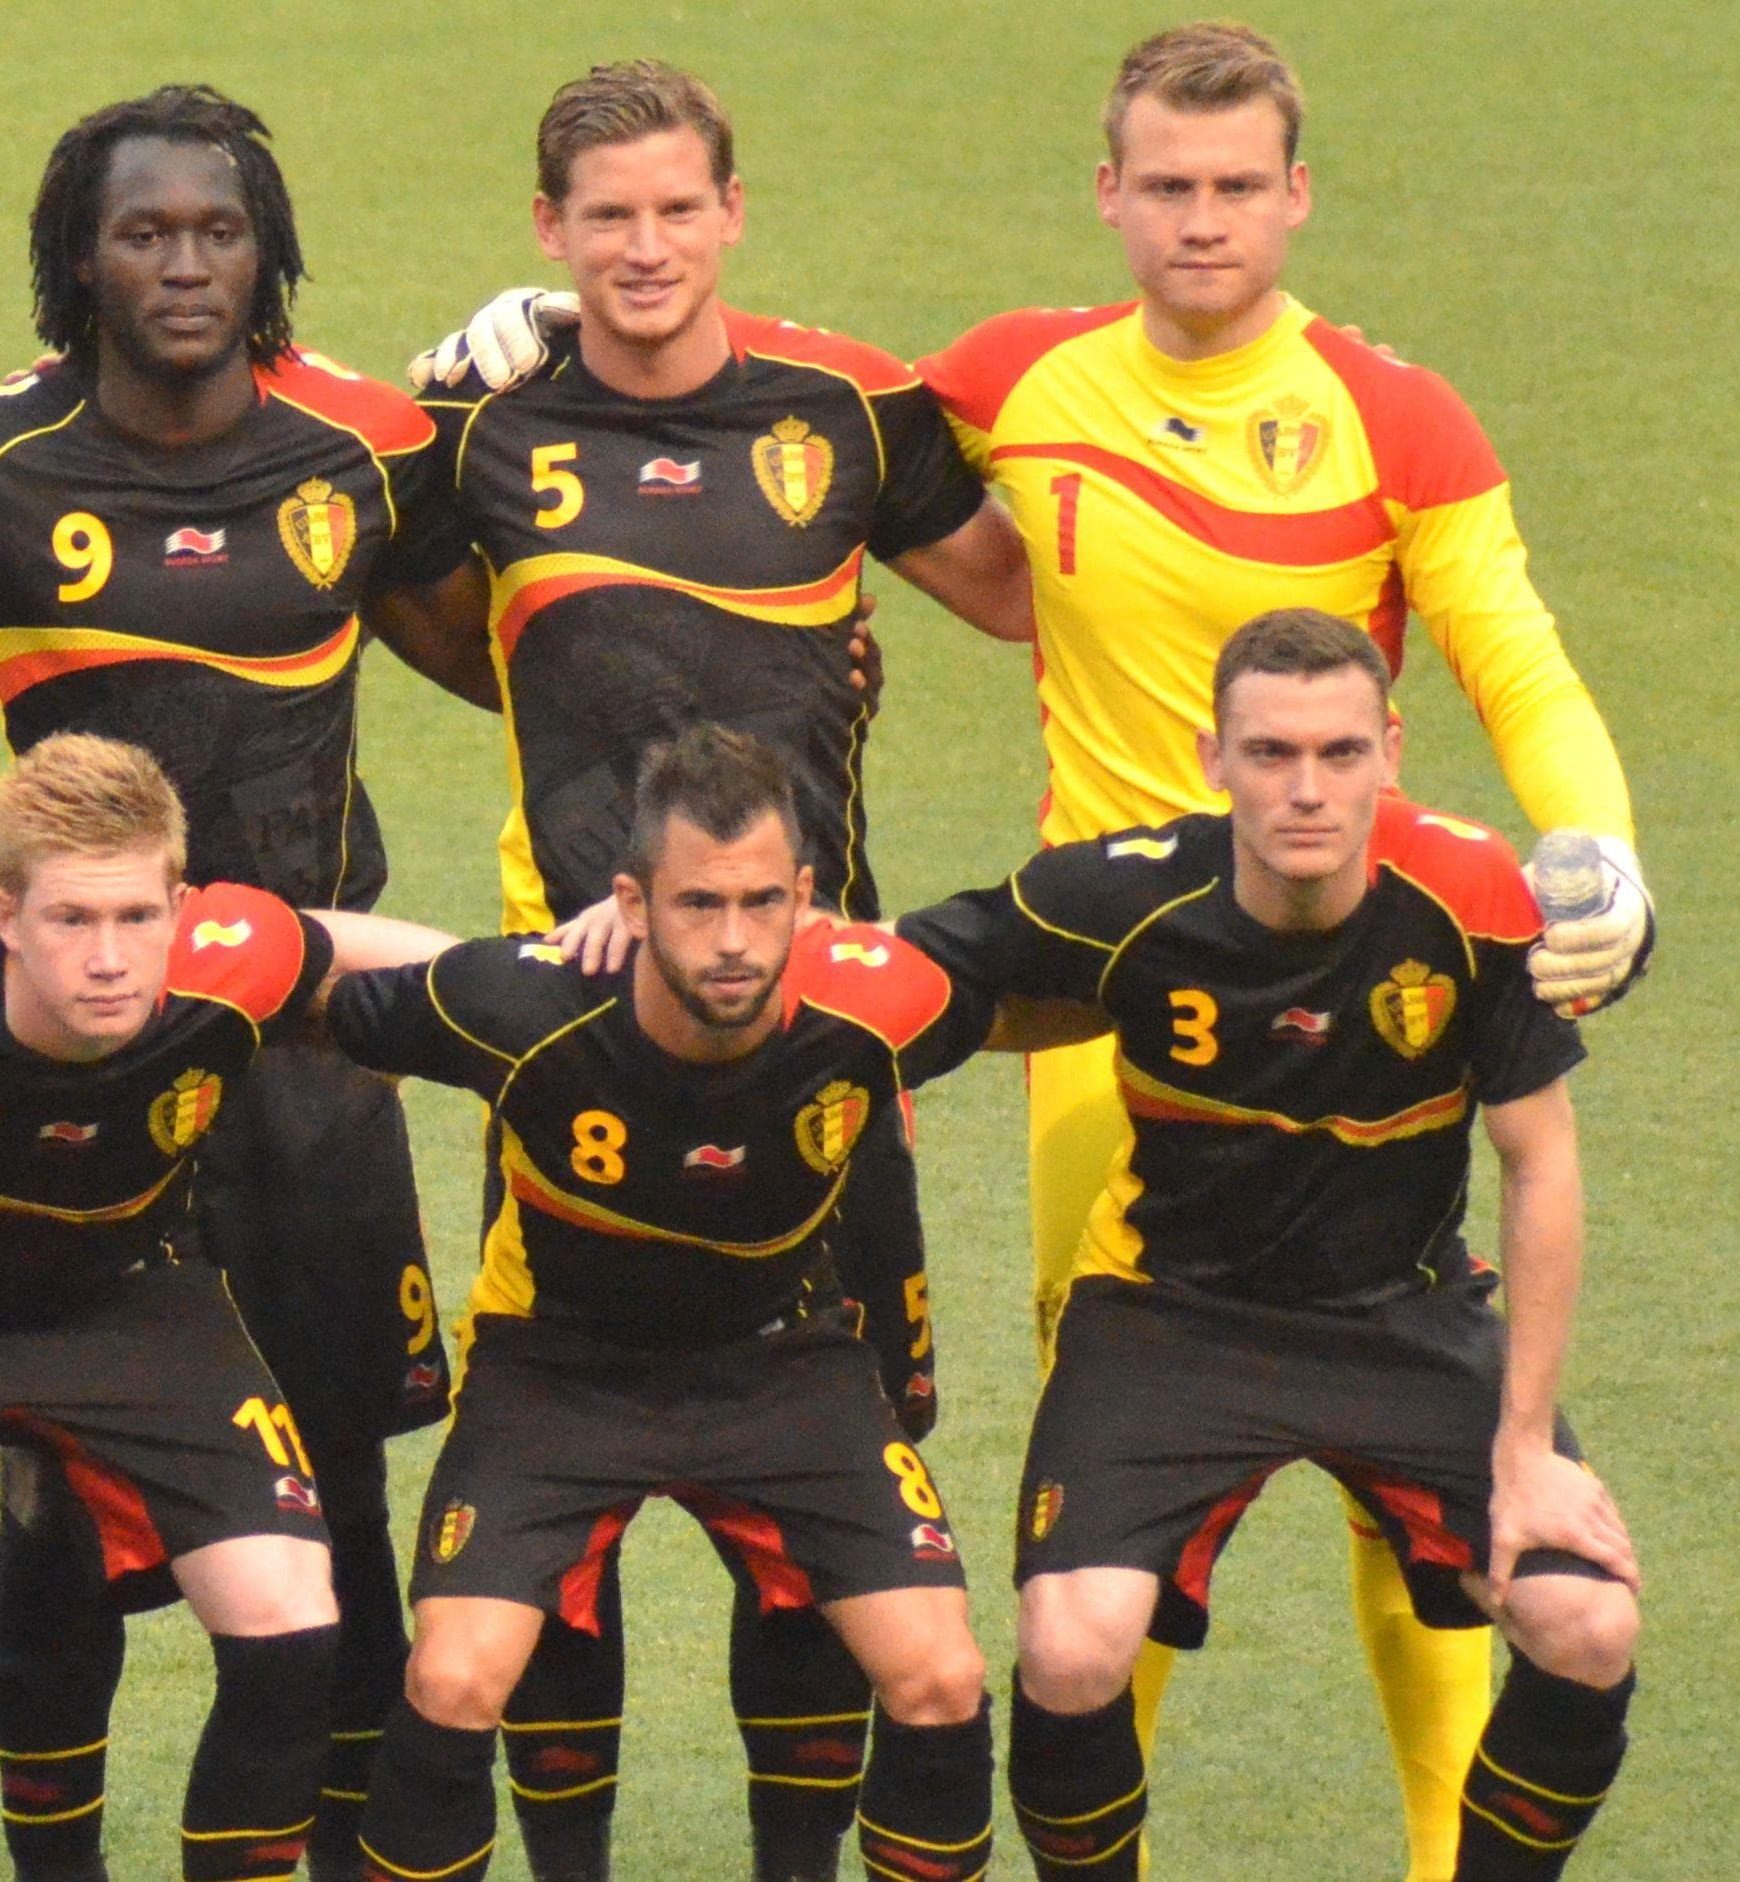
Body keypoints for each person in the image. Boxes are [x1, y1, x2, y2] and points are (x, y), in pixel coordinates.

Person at [409, 30, 1654, 1873]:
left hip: (1195, 960)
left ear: (1296, 194)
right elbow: (532, 550)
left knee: (1381, 1501)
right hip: (895, 986)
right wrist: (496, 365)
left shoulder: (1362, 418)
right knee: (1045, 1478)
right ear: (1110, 190)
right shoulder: (976, 384)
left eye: (1238, 185)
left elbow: (1466, 647)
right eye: (1169, 183)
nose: (1203, 219)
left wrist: (1588, 842)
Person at [0, 84, 458, 1878]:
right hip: (74, 1046)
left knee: (341, 1482)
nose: (184, 264)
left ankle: (347, 1843)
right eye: (144, 231)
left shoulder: (368, 447)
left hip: (301, 1049)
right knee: (58, 1495)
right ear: (80, 255)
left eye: (217, 230)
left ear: (268, 249)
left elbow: (510, 624)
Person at [375, 62, 1026, 1879]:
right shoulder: (486, 436)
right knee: (555, 1444)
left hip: (820, 1012)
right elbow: (439, 628)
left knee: (833, 1452)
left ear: (732, 210)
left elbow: (1023, 592)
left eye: (677, 210)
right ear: (550, 235)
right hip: (580, 1009)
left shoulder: (853, 411)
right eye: (608, 219)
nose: (645, 248)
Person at [897, 610, 1640, 1879]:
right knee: (1073, 1647)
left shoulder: (1467, 899)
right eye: (1272, 752)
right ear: (1212, 758)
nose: (1307, 788)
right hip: (1168, 1316)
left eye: (1341, 751)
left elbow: (1541, 1161)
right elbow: (901, 968)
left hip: (1401, 1317)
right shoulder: (1128, 894)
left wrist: (1523, 1444)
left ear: (1390, 752)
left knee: (1586, 1624)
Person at [326, 726, 1078, 1882]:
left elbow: (1050, 998)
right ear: (630, 901)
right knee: (452, 1677)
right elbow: (308, 973)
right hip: (556, 1374)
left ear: (806, 899)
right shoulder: (525, 1008)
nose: (732, 942)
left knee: (941, 1676)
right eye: (694, 905)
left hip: (786, 1365)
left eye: (761, 902)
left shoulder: (873, 1004)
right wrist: (174, 936)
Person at [0, 733, 453, 1882]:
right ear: (4, 915)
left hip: (123, 1296)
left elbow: (345, 943)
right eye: (72, 921)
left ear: (180, 906)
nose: (110, 958)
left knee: (289, 1620)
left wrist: (549, 959)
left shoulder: (228, 956)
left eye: (136, 918)